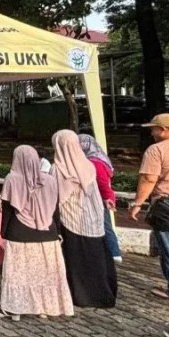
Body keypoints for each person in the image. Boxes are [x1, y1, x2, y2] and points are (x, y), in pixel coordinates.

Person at [0, 145, 74, 321]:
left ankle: (14, 309)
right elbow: (54, 210)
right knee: (45, 274)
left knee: (18, 274)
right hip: (47, 234)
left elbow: (8, 210)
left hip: (19, 233)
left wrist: (3, 232)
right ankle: (45, 307)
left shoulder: (12, 179)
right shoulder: (50, 180)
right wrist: (57, 231)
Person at [130, 113, 169, 337]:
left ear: (163, 130)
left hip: (168, 209)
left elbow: (148, 180)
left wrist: (137, 204)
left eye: (154, 129)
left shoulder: (157, 151)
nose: (152, 133)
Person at [52, 130, 117, 308]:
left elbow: (57, 197)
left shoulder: (60, 168)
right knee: (97, 257)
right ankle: (103, 293)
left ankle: (81, 296)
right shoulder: (88, 164)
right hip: (92, 218)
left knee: (76, 260)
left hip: (71, 219)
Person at [79, 134, 122, 263]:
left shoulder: (94, 161)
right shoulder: (99, 158)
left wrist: (107, 197)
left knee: (105, 225)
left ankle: (113, 252)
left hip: (99, 199)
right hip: (100, 197)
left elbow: (102, 182)